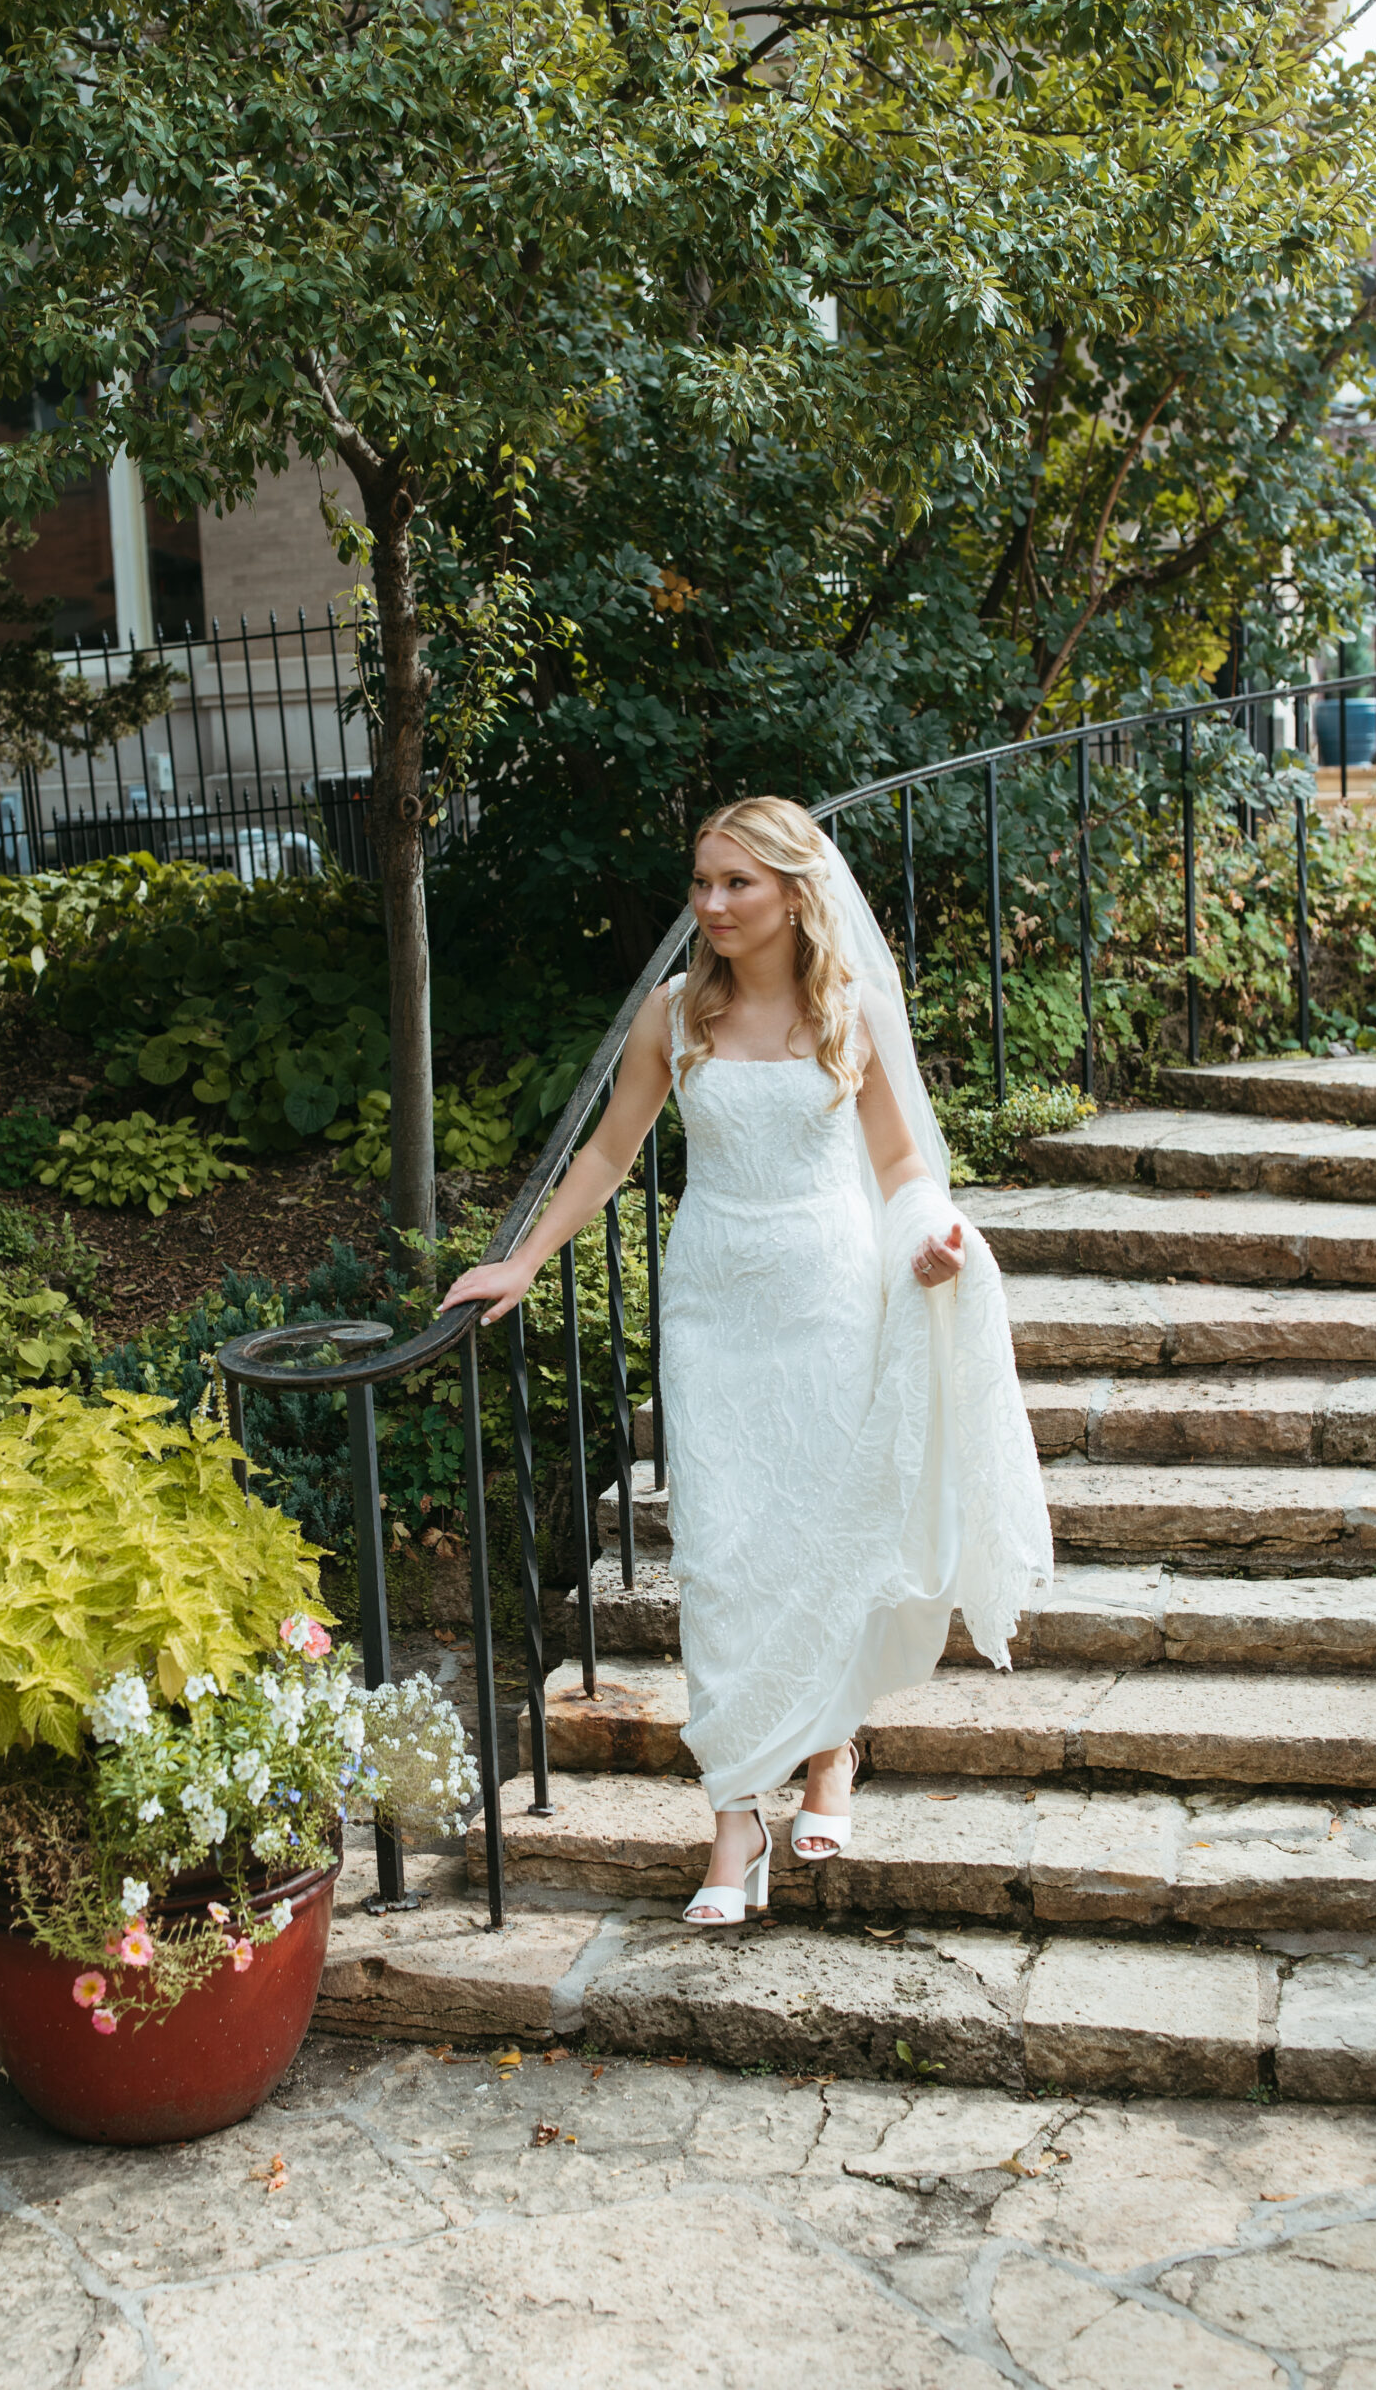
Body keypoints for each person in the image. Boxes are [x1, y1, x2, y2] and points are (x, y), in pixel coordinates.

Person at [441, 795, 1051, 1924]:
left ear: (792, 893)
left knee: (819, 1540)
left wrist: (930, 1239)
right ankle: (733, 1812)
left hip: (825, 1300)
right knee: (720, 1556)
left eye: (737, 885)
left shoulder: (853, 1010)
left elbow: (901, 1161)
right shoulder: (672, 1015)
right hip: (713, 1308)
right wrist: (521, 1261)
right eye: (701, 881)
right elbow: (610, 1152)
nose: (710, 905)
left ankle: (827, 1755)